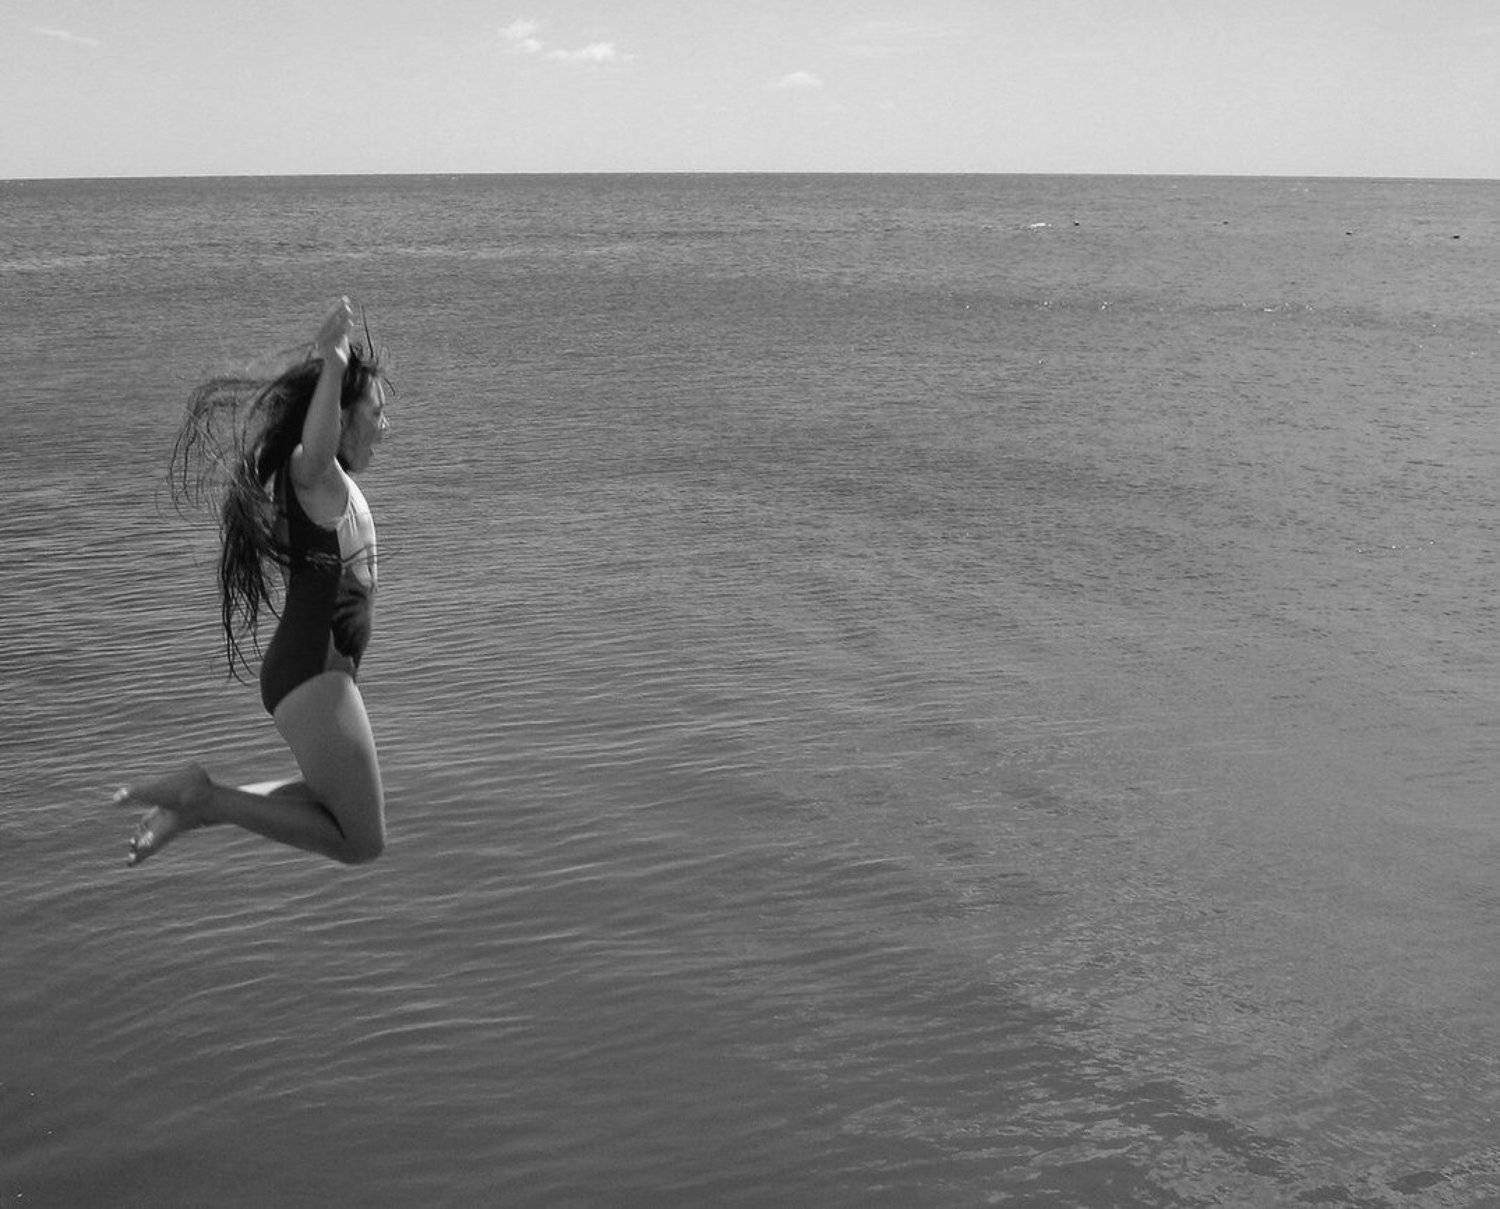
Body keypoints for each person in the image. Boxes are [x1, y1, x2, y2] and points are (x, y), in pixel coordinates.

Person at [116, 297, 392, 867]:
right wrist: (334, 366)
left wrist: (332, 372)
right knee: (362, 842)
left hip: (311, 674)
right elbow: (318, 446)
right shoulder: (312, 474)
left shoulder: (326, 487)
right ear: (340, 416)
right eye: (377, 413)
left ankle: (198, 803)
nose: (384, 429)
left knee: (330, 808)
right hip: (315, 675)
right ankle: (205, 799)